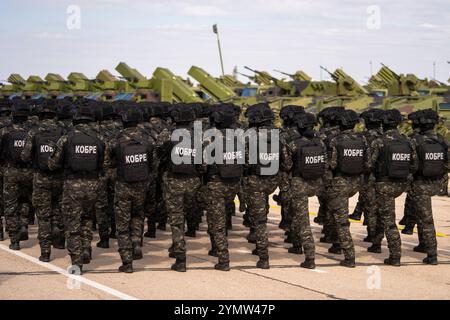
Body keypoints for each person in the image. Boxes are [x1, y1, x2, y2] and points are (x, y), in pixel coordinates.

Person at [48, 106, 108, 274]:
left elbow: (53, 164)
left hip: (72, 186)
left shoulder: (66, 138)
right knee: (87, 219)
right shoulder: (100, 139)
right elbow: (105, 164)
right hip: (93, 185)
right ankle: (87, 247)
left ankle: (77, 262)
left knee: (72, 224)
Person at [110, 108, 157, 273]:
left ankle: (127, 262)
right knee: (138, 215)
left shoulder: (117, 140)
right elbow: (153, 164)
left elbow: (108, 162)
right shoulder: (148, 139)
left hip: (124, 185)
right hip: (142, 185)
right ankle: (137, 241)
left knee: (122, 224)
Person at [368, 109, 416, 266]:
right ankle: (376, 243)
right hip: (402, 183)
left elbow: (369, 164)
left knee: (388, 220)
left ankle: (395, 255)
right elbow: (414, 165)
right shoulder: (408, 141)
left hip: (384, 184)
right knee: (384, 214)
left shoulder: (379, 141)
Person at [281, 112, 327, 269]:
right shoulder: (320, 143)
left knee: (303, 221)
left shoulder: (294, 144)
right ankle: (296, 244)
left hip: (299, 183)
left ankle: (310, 257)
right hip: (317, 183)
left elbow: (287, 166)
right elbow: (325, 163)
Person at [21, 100, 65, 261]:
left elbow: (25, 156)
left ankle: (45, 253)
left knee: (43, 216)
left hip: (41, 179)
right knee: (58, 211)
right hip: (59, 178)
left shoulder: (34, 132)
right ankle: (59, 240)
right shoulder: (62, 131)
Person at [204, 104, 244, 271]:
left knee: (216, 222)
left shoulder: (210, 138)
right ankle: (218, 249)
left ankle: (223, 258)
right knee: (223, 216)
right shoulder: (241, 137)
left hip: (216, 183)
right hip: (233, 183)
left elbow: (202, 163)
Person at [164, 104, 203, 272]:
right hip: (192, 181)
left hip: (173, 181)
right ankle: (176, 247)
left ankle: (180, 258)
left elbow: (158, 154)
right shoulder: (199, 137)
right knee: (184, 215)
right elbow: (203, 164)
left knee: (176, 220)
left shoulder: (168, 135)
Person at [327, 109, 368, 267]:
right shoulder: (362, 139)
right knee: (338, 217)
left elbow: (332, 164)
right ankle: (337, 244)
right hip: (356, 182)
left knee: (341, 220)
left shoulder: (335, 140)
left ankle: (349, 256)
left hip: (340, 183)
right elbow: (367, 162)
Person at [408, 109, 448, 265]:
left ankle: (432, 254)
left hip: (420, 184)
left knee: (425, 219)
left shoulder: (415, 141)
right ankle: (423, 244)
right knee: (421, 215)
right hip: (438, 182)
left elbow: (412, 165)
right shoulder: (442, 140)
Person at [242, 103, 280, 269]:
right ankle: (259, 247)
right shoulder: (279, 135)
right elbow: (286, 160)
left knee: (259, 220)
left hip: (255, 180)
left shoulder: (249, 136)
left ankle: (263, 256)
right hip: (272, 179)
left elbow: (244, 160)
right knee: (263, 210)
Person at [1, 100, 35, 250]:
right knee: (25, 200)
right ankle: (23, 224)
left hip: (10, 171)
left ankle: (14, 240)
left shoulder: (4, 131)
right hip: (29, 172)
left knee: (10, 205)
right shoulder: (33, 131)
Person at [349, 109, 384, 244]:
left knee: (370, 209)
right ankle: (378, 236)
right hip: (384, 178)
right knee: (381, 209)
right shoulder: (385, 137)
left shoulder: (362, 137)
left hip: (368, 177)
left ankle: (373, 236)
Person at [0, 99, 12, 241]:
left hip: (6, 167)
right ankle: (19, 226)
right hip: (15, 168)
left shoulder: (3, 130)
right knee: (21, 200)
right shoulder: (27, 128)